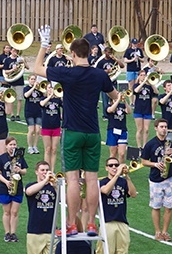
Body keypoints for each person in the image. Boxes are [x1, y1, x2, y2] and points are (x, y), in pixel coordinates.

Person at [34, 25, 118, 236]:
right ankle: (90, 223)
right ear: (90, 52)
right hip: (92, 132)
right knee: (91, 179)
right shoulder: (99, 75)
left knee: (72, 179)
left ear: (72, 54)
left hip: (72, 131)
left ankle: (71, 223)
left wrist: (44, 46)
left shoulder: (68, 73)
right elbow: (115, 95)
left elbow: (36, 69)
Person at [97, 158, 137, 254]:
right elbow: (106, 190)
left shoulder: (123, 181)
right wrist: (116, 175)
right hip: (107, 222)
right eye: (111, 165)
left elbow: (133, 194)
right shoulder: (101, 182)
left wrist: (127, 177)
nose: (114, 167)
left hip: (122, 223)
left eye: (116, 165)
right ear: (106, 168)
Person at [140, 118, 172, 242]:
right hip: (155, 179)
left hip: (170, 178)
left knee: (169, 207)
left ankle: (165, 231)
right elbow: (143, 161)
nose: (164, 129)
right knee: (156, 206)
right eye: (161, 127)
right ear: (156, 128)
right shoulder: (150, 144)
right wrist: (155, 164)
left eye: (165, 127)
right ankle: (157, 231)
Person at [25, 161, 57, 254]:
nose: (45, 172)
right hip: (34, 229)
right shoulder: (31, 185)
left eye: (47, 170)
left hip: (51, 230)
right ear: (36, 172)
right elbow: (29, 192)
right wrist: (44, 182)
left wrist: (55, 185)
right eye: (42, 170)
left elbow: (66, 200)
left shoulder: (53, 187)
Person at [0, 137, 28, 242]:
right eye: (11, 144)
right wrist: (6, 182)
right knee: (7, 212)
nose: (13, 147)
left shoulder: (19, 157)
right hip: (5, 187)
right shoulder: (2, 158)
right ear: (6, 145)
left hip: (18, 187)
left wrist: (20, 170)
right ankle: (7, 233)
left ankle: (13, 233)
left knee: (14, 212)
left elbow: (25, 171)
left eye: (14, 144)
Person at [95, 47, 125, 120]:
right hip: (104, 82)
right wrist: (106, 71)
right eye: (108, 52)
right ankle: (105, 115)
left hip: (113, 81)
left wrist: (116, 59)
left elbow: (122, 66)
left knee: (114, 98)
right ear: (105, 52)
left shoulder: (113, 60)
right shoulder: (101, 62)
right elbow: (97, 72)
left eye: (111, 53)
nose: (110, 54)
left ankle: (113, 112)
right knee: (105, 99)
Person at [40, 83, 62, 170]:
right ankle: (46, 169)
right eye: (49, 88)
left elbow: (65, 106)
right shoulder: (43, 98)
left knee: (54, 149)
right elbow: (42, 104)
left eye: (52, 88)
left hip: (56, 126)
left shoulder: (58, 100)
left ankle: (52, 170)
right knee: (47, 149)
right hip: (46, 126)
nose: (50, 89)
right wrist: (49, 97)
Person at [133, 70, 158, 149]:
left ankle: (144, 145)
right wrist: (143, 83)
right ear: (139, 76)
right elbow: (136, 91)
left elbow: (156, 92)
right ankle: (139, 146)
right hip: (138, 110)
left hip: (147, 110)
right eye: (142, 75)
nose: (143, 76)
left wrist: (151, 83)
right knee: (140, 129)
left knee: (146, 129)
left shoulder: (149, 86)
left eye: (144, 75)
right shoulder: (136, 85)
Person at [106, 92, 132, 163]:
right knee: (113, 154)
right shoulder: (108, 105)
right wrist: (117, 100)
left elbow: (129, 111)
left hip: (123, 131)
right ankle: (112, 169)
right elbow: (111, 110)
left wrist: (125, 101)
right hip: (112, 131)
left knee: (122, 154)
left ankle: (120, 170)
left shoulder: (122, 105)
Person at [3, 48, 25, 121]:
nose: (15, 52)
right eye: (14, 51)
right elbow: (5, 71)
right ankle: (12, 114)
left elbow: (27, 67)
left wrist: (24, 61)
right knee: (11, 99)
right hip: (11, 82)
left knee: (19, 99)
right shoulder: (7, 60)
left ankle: (18, 114)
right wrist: (12, 70)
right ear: (11, 51)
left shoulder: (20, 59)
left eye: (17, 51)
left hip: (20, 82)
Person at [23, 74, 43, 154]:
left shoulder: (39, 89)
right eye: (32, 79)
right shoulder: (26, 88)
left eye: (34, 79)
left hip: (38, 112)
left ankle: (35, 146)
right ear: (29, 80)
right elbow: (26, 95)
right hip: (29, 112)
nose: (33, 80)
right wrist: (34, 87)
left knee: (38, 130)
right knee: (31, 130)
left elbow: (44, 96)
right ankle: (30, 147)